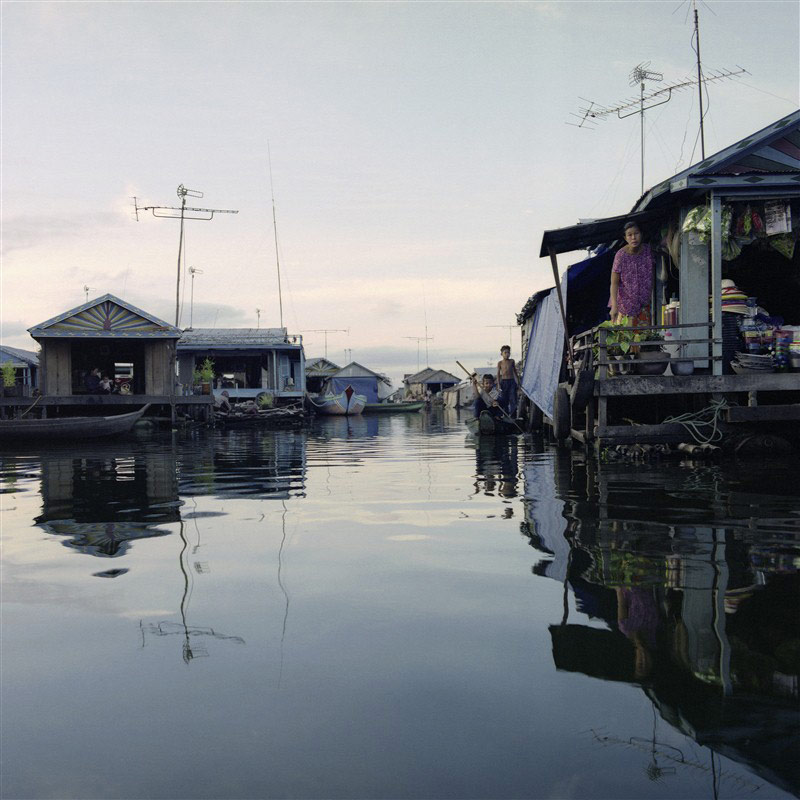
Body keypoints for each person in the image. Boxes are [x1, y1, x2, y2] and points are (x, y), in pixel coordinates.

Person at [609, 221, 654, 327]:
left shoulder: (648, 250)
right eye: (630, 235)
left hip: (644, 305)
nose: (633, 237)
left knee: (643, 339)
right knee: (626, 340)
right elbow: (614, 283)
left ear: (641, 234)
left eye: (636, 233)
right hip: (625, 307)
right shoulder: (620, 255)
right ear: (625, 238)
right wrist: (614, 306)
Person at [496, 345, 520, 417]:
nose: (507, 354)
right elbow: (498, 374)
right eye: (505, 352)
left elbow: (515, 372)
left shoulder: (512, 361)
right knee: (504, 399)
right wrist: (498, 384)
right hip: (503, 382)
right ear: (501, 354)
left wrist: (518, 382)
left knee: (513, 398)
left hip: (512, 382)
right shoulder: (500, 363)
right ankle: (506, 415)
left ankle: (513, 415)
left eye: (508, 352)